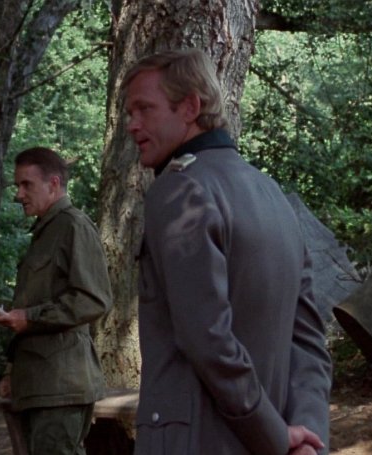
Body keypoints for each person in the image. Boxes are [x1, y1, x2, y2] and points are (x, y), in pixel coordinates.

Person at [123, 48, 332, 455]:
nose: (132, 125)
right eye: (129, 113)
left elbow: (207, 338)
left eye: (144, 109)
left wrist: (276, 437)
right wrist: (307, 436)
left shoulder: (179, 189)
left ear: (190, 107)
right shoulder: (273, 195)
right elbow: (309, 341)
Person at [0, 147, 113, 455]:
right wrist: (12, 369)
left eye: (26, 184)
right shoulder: (46, 231)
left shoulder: (73, 226)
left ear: (54, 184)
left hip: (60, 386)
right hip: (40, 384)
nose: (18, 194)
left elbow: (93, 299)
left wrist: (29, 317)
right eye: (17, 185)